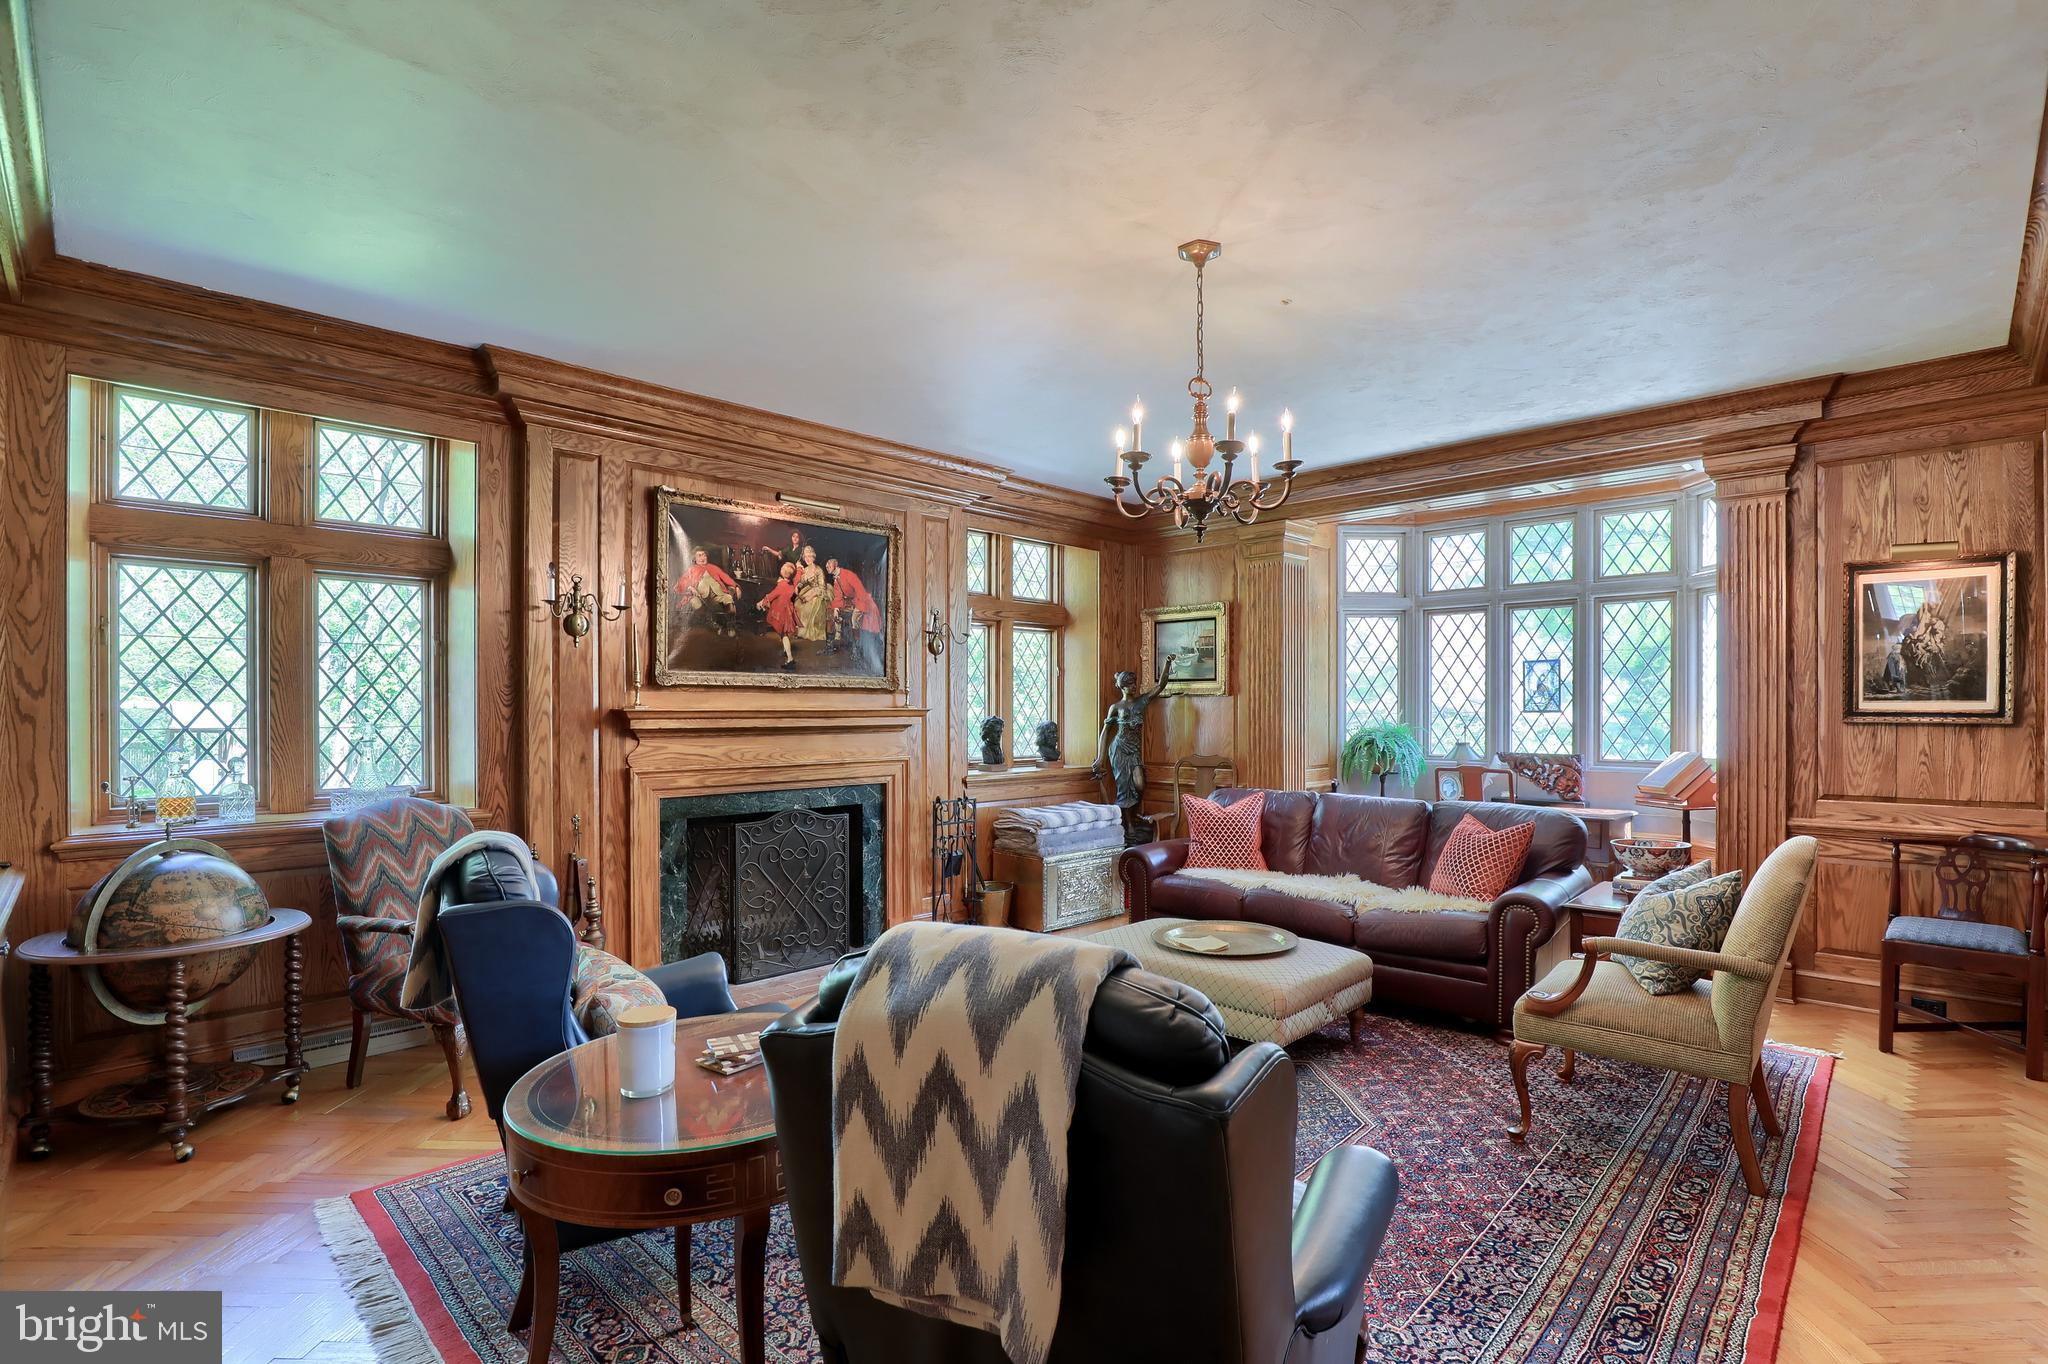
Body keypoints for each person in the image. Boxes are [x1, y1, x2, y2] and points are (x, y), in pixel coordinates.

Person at [1090, 658, 1177, 841]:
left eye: (1134, 683)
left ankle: (1133, 817)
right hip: (1119, 749)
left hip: (1134, 751)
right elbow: (1105, 732)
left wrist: (1167, 663)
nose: (1134, 687)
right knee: (1123, 788)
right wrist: (1099, 757)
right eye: (1129, 684)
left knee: (1139, 784)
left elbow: (1160, 686)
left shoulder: (1141, 702)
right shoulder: (1116, 707)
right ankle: (1129, 824)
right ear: (1122, 687)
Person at [675, 547, 740, 637]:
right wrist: (690, 587)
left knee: (729, 598)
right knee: (694, 602)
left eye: (704, 555)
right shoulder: (691, 570)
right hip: (701, 597)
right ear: (694, 559)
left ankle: (731, 626)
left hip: (718, 595)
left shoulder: (713, 568)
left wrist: (736, 586)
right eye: (699, 555)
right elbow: (681, 583)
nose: (702, 558)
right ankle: (712, 624)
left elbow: (726, 577)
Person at [826, 556, 882, 652]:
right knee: (835, 615)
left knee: (854, 619)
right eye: (826, 566)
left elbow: (860, 591)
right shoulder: (836, 579)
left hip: (863, 600)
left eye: (829, 566)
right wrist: (836, 609)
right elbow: (838, 596)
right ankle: (836, 640)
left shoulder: (848, 575)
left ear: (835, 566)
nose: (827, 567)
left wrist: (859, 606)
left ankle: (857, 646)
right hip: (852, 602)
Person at [755, 561, 801, 668]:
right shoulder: (792, 583)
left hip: (781, 612)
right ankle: (786, 651)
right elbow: (798, 576)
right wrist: (798, 567)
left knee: (783, 634)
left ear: (783, 573)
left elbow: (770, 596)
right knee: (783, 632)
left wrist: (760, 602)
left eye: (782, 568)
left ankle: (790, 660)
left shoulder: (781, 586)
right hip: (788, 611)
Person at [793, 543, 831, 642]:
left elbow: (822, 587)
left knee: (811, 606)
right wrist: (798, 586)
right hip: (809, 589)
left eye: (810, 557)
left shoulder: (818, 570)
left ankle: (811, 632)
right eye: (806, 557)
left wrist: (810, 596)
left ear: (813, 557)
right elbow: (802, 582)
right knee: (798, 604)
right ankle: (801, 631)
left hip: (819, 592)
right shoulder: (805, 570)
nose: (808, 559)